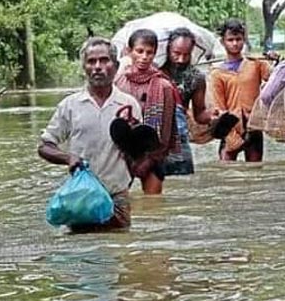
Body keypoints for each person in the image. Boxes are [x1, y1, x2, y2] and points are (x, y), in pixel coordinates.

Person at [38, 37, 142, 231]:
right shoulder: (70, 105)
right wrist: (68, 157)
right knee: (82, 252)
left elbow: (137, 154)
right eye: (91, 62)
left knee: (120, 249)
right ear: (84, 67)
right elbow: (44, 146)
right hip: (82, 197)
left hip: (117, 196)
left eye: (104, 60)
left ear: (116, 65)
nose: (97, 67)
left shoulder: (128, 105)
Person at [115, 29, 180, 195]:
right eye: (139, 51)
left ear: (155, 54)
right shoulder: (118, 81)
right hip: (123, 151)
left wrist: (150, 160)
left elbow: (165, 132)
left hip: (153, 151)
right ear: (130, 52)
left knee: (154, 205)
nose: (144, 57)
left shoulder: (164, 86)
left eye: (149, 53)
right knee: (120, 200)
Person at [209, 18, 271, 162]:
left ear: (244, 39)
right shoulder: (217, 73)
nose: (235, 43)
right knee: (227, 173)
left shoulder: (256, 64)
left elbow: (274, 80)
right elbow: (219, 107)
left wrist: (277, 60)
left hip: (254, 126)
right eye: (230, 40)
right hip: (230, 129)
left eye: (239, 39)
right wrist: (230, 136)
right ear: (222, 42)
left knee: (255, 172)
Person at [160, 27, 217, 175]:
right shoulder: (154, 72)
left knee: (183, 181)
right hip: (154, 139)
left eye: (186, 55)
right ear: (167, 50)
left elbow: (199, 115)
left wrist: (213, 117)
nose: (181, 59)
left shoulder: (196, 78)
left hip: (179, 138)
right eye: (176, 54)